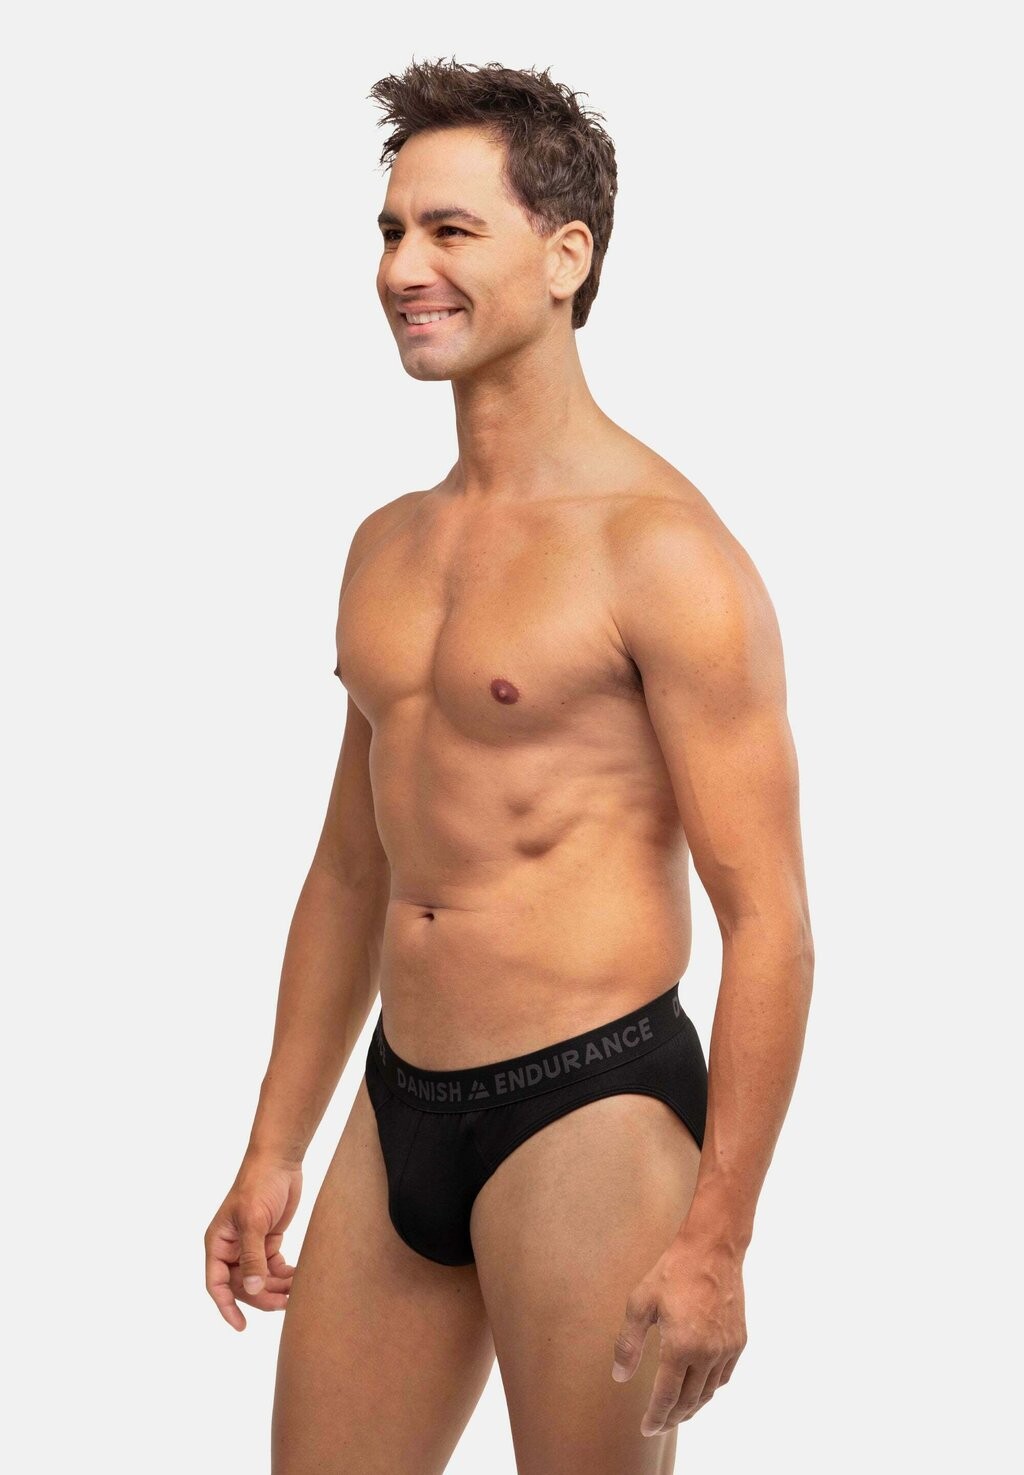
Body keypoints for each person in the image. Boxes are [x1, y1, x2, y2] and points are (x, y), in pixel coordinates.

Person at [204, 57, 814, 1474]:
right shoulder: (387, 546)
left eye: (449, 230)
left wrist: (720, 1238)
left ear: (565, 255)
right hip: (398, 1098)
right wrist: (275, 1143)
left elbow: (772, 922)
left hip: (588, 1109)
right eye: (390, 231)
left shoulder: (662, 553)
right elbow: (352, 866)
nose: (401, 268)